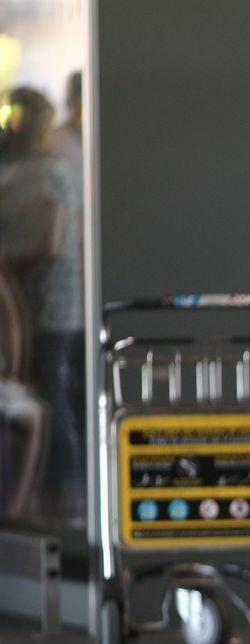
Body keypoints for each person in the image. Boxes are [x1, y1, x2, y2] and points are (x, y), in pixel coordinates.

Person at [0, 86, 85, 523]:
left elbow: (49, 241)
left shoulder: (50, 172)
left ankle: (64, 499)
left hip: (49, 303)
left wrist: (10, 263)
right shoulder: (17, 169)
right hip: (22, 302)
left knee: (51, 395)